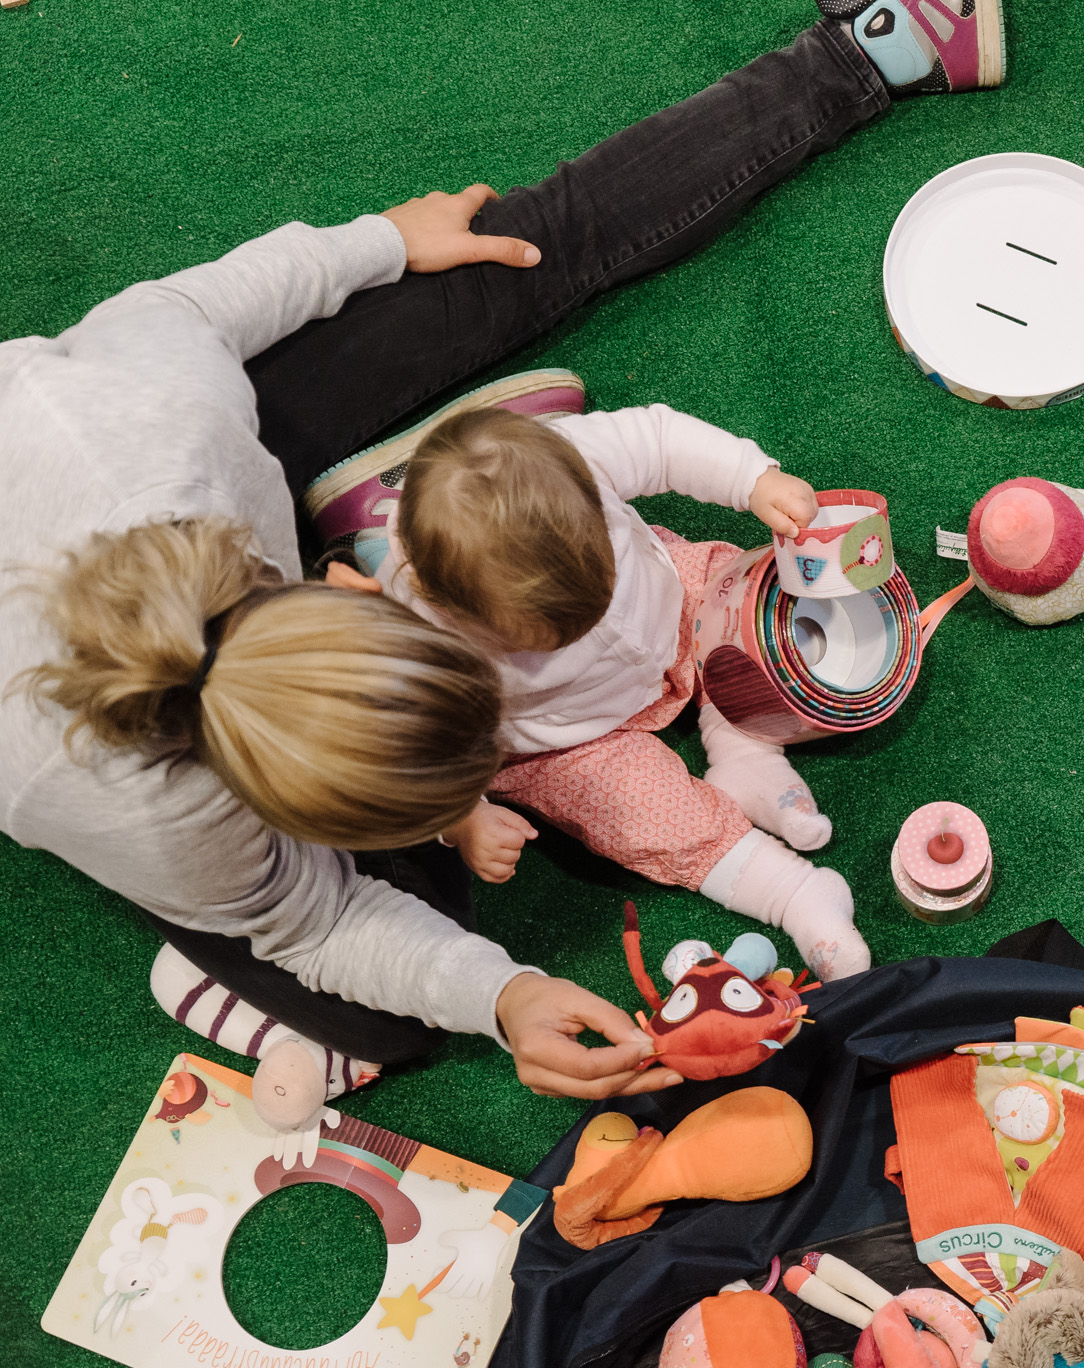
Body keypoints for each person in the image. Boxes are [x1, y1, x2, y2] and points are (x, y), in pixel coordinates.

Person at [0, 0, 1004, 1137]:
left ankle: (865, 54)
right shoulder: (142, 817)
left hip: (130, 454)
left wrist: (382, 242)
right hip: (153, 756)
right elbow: (315, 923)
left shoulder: (156, 420)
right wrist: (504, 992)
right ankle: (236, 938)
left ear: (364, 583)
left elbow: (188, 308)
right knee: (392, 1020)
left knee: (507, 252)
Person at [328, 403, 868, 981]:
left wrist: (753, 479)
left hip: (675, 611)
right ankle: (793, 893)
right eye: (535, 642)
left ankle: (744, 751)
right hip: (571, 737)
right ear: (444, 602)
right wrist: (463, 818)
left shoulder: (570, 459)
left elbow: (660, 441)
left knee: (741, 589)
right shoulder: (420, 629)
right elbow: (418, 745)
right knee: (635, 812)